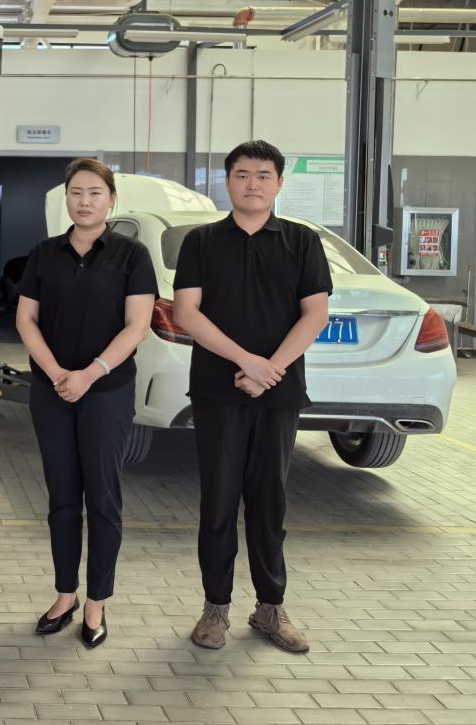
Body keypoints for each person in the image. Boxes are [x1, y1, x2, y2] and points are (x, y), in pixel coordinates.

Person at [174, 139, 332, 653]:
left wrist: (270, 370)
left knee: (269, 503)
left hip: (278, 394)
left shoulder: (303, 242)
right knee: (218, 503)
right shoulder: (201, 242)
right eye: (242, 174)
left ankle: (270, 608)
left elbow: (315, 313)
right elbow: (187, 313)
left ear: (279, 183)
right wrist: (248, 362)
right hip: (217, 392)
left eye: (264, 175)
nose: (253, 184)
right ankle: (215, 609)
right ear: (228, 182)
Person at [15, 158, 157, 648]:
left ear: (111, 200)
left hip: (107, 393)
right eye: (76, 192)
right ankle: (65, 594)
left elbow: (137, 326)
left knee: (102, 497)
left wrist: (90, 373)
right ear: (67, 199)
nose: (85, 201)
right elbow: (26, 320)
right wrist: (58, 374)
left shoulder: (132, 255)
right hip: (52, 391)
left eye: (95, 192)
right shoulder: (44, 253)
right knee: (61, 496)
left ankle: (97, 602)